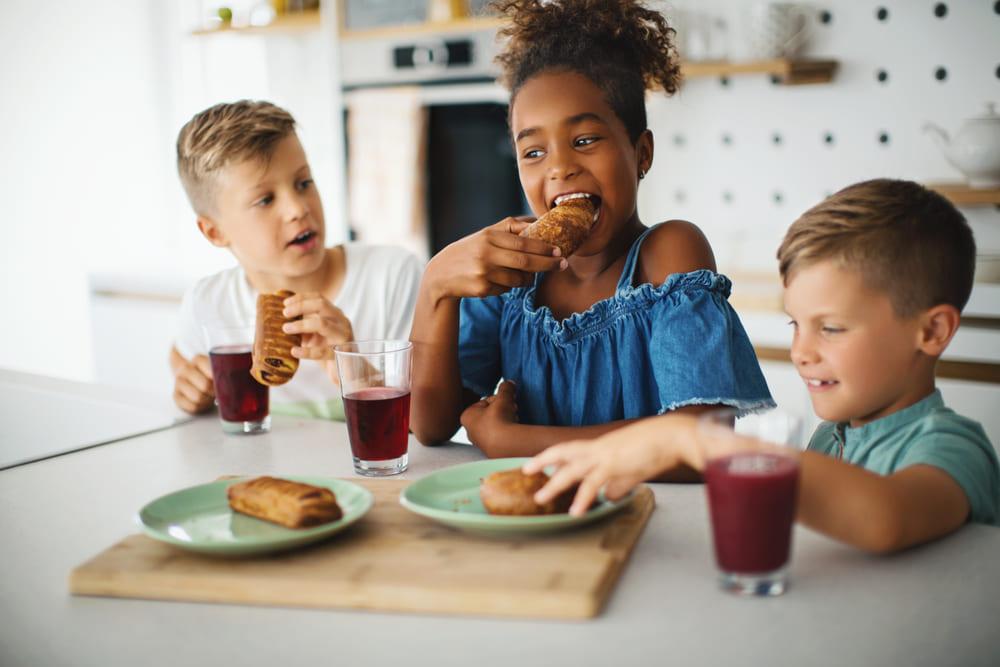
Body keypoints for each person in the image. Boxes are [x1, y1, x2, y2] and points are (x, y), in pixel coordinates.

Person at [527, 179, 999, 553]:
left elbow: (885, 518)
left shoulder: (952, 448)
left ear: (933, 331)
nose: (802, 352)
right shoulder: (831, 438)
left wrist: (686, 438)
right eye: (797, 324)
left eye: (831, 328)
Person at [409, 0, 773, 458]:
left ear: (641, 154)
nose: (559, 168)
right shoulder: (511, 273)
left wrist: (517, 442)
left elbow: (702, 439)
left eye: (584, 140)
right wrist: (436, 287)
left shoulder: (667, 255)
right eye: (533, 152)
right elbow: (430, 424)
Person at [170, 100, 421, 419]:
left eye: (304, 183)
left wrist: (351, 364)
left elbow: (424, 426)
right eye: (265, 200)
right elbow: (180, 360)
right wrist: (191, 390)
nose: (298, 208)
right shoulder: (207, 302)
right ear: (215, 232)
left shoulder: (391, 277)